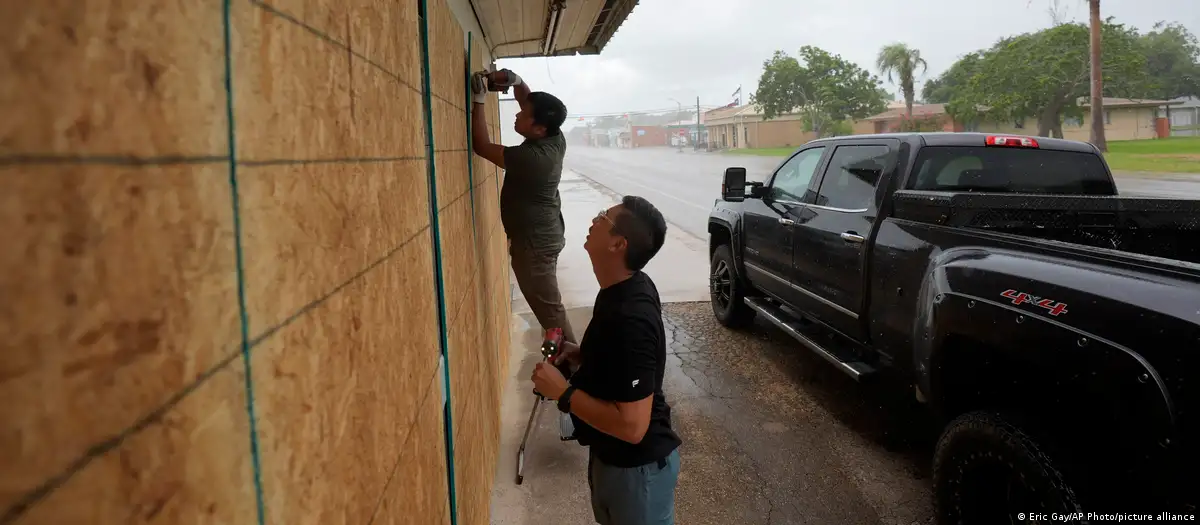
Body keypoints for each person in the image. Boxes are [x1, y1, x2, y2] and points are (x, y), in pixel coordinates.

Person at [530, 196, 683, 525]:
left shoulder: (632, 319)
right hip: (612, 460)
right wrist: (580, 355)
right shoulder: (619, 288)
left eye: (603, 217)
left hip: (637, 472)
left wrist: (563, 393)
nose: (594, 219)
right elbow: (619, 361)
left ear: (618, 244)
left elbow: (632, 427)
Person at [470, 68, 577, 344]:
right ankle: (570, 368)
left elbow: (481, 146)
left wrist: (479, 99)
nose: (517, 114)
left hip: (535, 249)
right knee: (550, 314)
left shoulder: (533, 158)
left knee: (552, 316)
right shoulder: (554, 135)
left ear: (539, 128)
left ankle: (576, 371)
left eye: (523, 115)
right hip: (542, 237)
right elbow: (527, 99)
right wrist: (515, 80)